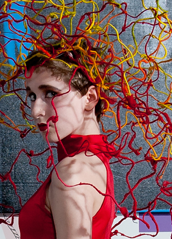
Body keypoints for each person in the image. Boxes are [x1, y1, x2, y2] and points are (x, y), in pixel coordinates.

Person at [18, 42, 117, 239]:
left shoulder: (72, 174)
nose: (35, 111)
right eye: (32, 95)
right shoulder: (94, 162)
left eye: (50, 94)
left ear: (89, 98)